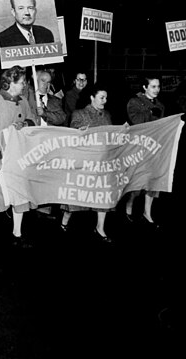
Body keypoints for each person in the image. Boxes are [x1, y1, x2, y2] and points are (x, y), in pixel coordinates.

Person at [0, 66, 36, 247]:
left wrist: (25, 123)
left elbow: (32, 120)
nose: (24, 86)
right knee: (1, 195)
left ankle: (17, 233)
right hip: (0, 157)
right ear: (10, 83)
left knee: (20, 194)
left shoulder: (24, 102)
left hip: (18, 156)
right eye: (21, 83)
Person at [60, 84, 114, 242]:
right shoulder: (79, 113)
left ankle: (100, 228)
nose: (105, 100)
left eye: (106, 97)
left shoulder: (107, 114)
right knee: (76, 195)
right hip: (84, 162)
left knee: (102, 195)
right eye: (101, 97)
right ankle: (64, 221)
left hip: (102, 161)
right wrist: (81, 131)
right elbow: (73, 131)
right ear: (92, 97)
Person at [123, 76, 165, 226]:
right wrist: (150, 112)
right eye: (153, 86)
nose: (157, 90)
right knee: (137, 182)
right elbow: (136, 121)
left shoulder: (160, 105)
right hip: (138, 148)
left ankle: (147, 213)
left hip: (153, 148)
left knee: (152, 182)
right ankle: (128, 208)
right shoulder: (134, 102)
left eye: (158, 86)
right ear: (144, 87)